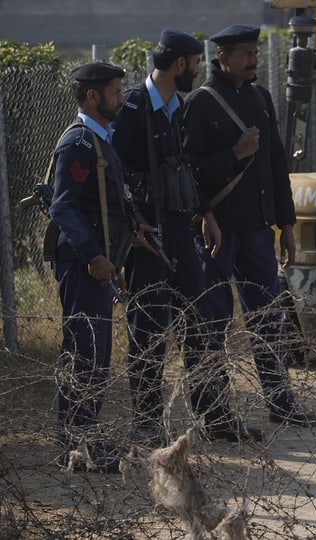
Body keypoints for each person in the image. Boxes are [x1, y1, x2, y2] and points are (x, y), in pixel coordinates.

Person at [113, 29, 272, 446]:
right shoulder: (133, 106)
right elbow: (115, 173)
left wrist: (206, 213)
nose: (199, 70)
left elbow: (180, 167)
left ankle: (215, 415)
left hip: (181, 230)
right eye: (196, 63)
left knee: (201, 323)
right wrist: (131, 224)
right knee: (148, 331)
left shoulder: (175, 106)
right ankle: (147, 421)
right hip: (148, 236)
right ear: (180, 64)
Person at [182, 24, 316, 436]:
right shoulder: (200, 105)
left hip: (258, 231)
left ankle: (280, 401)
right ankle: (216, 414)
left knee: (269, 320)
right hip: (218, 233)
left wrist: (287, 225)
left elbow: (277, 164)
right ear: (222, 58)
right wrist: (234, 154)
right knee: (212, 323)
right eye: (245, 53)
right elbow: (190, 173)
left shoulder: (260, 98)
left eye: (255, 53)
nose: (254, 60)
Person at [48, 62, 143, 472]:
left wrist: (117, 253)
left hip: (98, 265)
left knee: (96, 357)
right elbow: (63, 207)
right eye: (116, 91)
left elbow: (103, 207)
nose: (121, 98)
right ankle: (75, 445)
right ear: (93, 96)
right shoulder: (79, 143)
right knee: (84, 355)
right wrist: (94, 256)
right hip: (81, 265)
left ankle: (82, 444)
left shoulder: (101, 140)